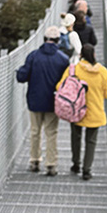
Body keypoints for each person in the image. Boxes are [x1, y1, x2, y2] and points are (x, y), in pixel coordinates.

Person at [16, 25, 69, 176]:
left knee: (35, 131)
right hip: (53, 102)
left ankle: (34, 161)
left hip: (35, 101)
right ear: (58, 40)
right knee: (51, 132)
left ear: (44, 39)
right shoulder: (63, 59)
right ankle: (51, 164)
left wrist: (20, 71)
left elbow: (22, 77)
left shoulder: (33, 56)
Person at [58, 43, 107, 180]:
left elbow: (60, 86)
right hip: (95, 112)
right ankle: (86, 170)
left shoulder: (74, 69)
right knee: (91, 141)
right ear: (94, 55)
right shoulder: (103, 72)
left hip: (76, 110)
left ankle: (76, 163)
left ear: (81, 55)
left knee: (75, 137)